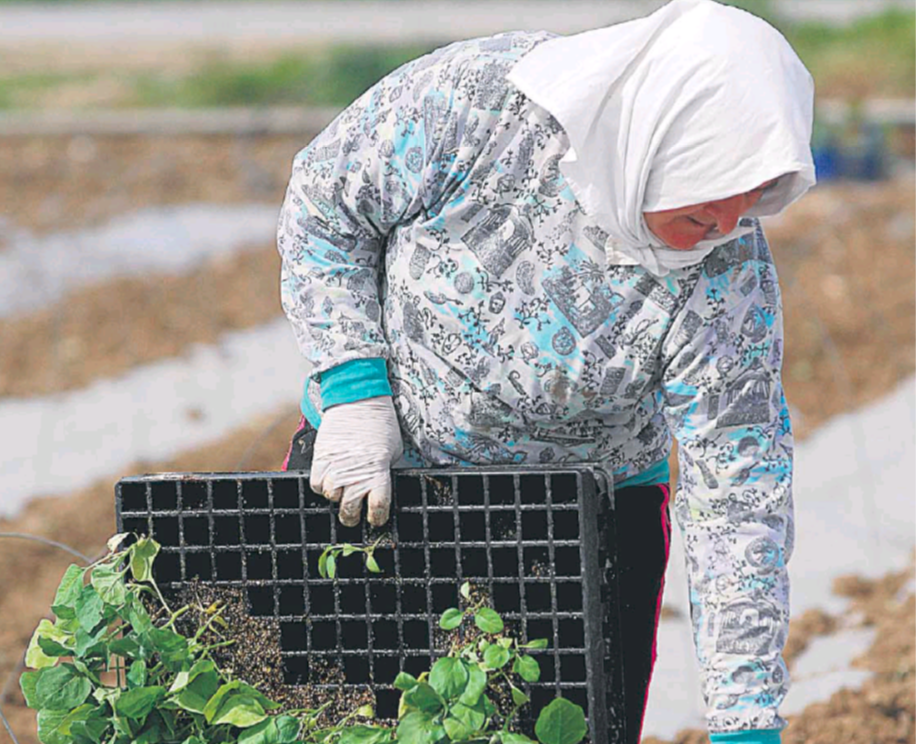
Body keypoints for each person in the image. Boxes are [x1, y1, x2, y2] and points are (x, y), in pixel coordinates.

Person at [276, 1, 815, 742]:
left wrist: (744, 719)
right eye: (699, 214)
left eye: (745, 208)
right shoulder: (479, 104)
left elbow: (737, 492)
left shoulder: (726, 273)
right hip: (385, 483)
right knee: (346, 718)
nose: (721, 232)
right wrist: (353, 393)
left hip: (585, 522)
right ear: (653, 149)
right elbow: (324, 207)